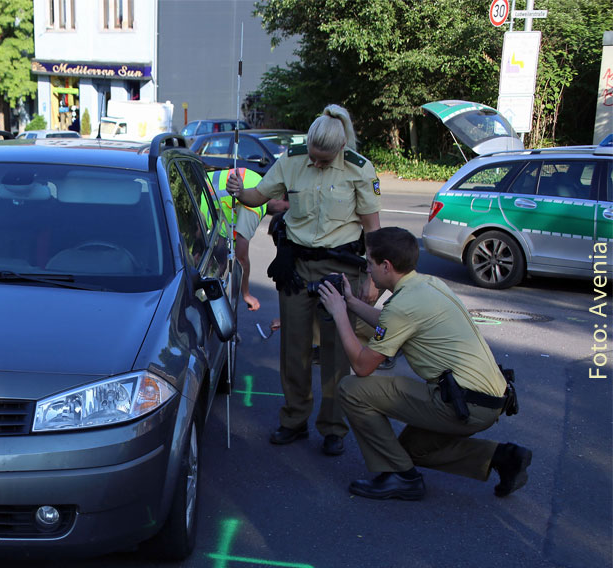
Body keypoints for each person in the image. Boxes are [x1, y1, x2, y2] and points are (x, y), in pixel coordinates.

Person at [316, 227, 531, 500]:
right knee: (409, 451)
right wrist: (350, 303)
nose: (367, 270)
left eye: (370, 263)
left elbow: (361, 366)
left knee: (351, 388)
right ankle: (503, 458)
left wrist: (339, 314)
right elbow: (392, 323)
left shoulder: (402, 306)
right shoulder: (429, 284)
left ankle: (400, 477)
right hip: (489, 399)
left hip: (464, 404)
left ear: (386, 265)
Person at [226, 104, 381, 456]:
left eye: (325, 158)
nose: (318, 162)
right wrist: (239, 190)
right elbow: (257, 197)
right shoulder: (291, 160)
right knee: (293, 349)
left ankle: (333, 427)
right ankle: (294, 420)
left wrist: (372, 279)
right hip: (296, 266)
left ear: (341, 148)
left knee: (336, 353)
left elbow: (372, 229)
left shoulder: (359, 169)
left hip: (341, 268)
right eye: (314, 155)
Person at [208, 167, 288, 311]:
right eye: (285, 209)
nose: (283, 214)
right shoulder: (254, 205)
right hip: (194, 219)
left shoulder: (257, 180)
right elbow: (241, 257)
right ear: (281, 196)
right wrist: (246, 294)